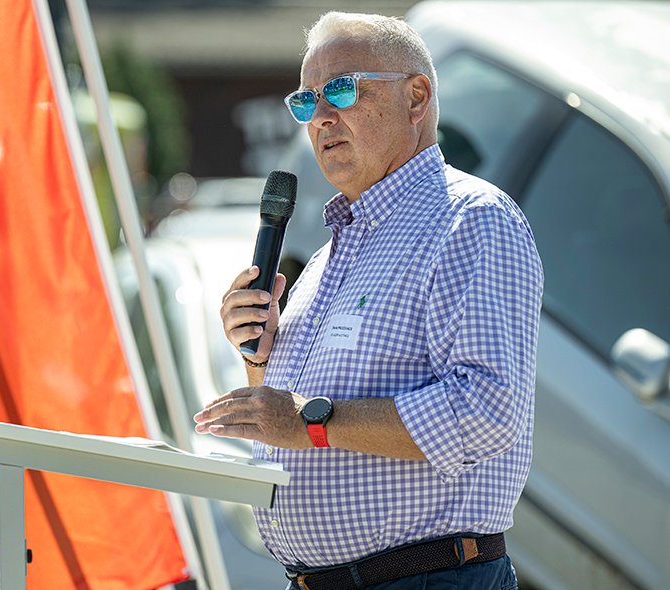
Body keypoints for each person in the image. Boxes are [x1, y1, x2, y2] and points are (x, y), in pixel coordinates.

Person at [193, 11, 543, 590]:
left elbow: (486, 412)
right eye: (305, 102)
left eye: (340, 89)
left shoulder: (470, 220)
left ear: (417, 97)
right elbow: (290, 425)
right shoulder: (334, 251)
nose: (321, 117)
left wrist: (309, 421)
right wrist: (259, 360)